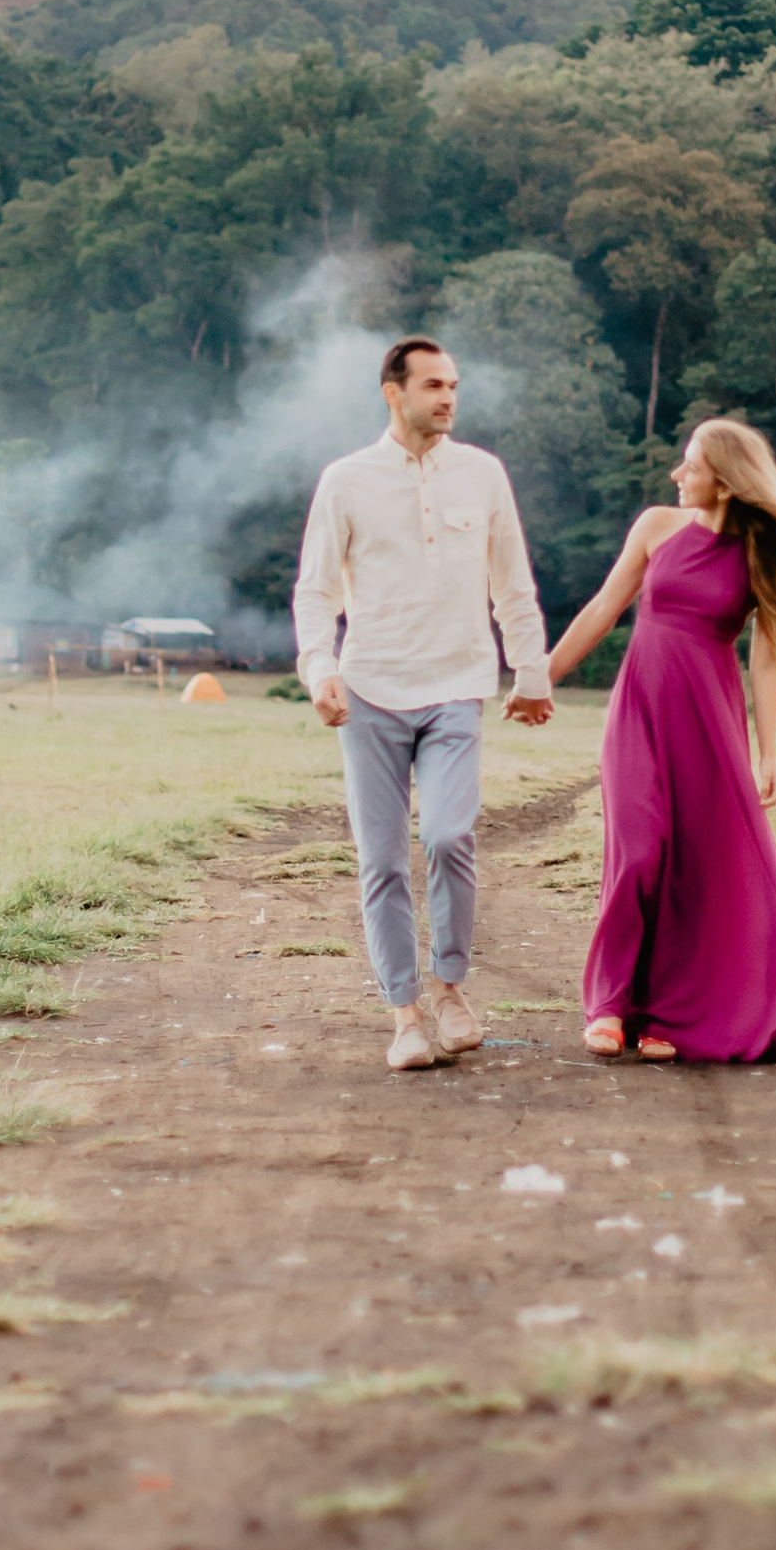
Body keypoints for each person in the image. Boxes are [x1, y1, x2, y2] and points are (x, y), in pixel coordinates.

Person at [546, 416, 776, 1064]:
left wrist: (767, 754)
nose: (678, 474)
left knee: (698, 873)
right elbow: (603, 608)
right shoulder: (655, 528)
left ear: (725, 480)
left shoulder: (763, 553)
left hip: (709, 725)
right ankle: (610, 1004)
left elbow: (766, 660)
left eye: (691, 464)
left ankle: (665, 1013)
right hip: (640, 712)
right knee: (640, 854)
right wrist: (542, 677)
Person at [293, 337, 553, 1072]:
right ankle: (404, 1015)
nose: (448, 397)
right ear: (393, 392)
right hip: (370, 688)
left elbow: (513, 584)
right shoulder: (345, 481)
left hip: (457, 686)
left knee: (447, 835)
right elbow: (316, 592)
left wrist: (530, 671)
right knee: (380, 858)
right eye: (434, 385)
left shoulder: (483, 474)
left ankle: (451, 988)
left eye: (454, 386)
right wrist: (320, 671)